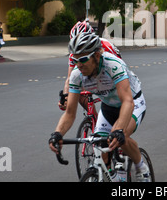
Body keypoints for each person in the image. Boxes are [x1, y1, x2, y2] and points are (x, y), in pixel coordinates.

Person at [49, 32, 150, 181]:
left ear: (97, 55)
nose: (79, 65)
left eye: (83, 59)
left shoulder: (113, 66)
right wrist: (57, 134)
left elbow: (127, 101)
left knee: (120, 138)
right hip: (108, 106)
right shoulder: (77, 75)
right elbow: (70, 113)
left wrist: (119, 130)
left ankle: (141, 168)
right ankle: (114, 175)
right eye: (75, 60)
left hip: (132, 103)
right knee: (100, 145)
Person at [59, 20, 121, 112]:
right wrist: (65, 97)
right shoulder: (74, 54)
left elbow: (119, 70)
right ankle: (92, 116)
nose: (79, 50)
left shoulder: (106, 46)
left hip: (107, 73)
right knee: (77, 90)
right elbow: (70, 78)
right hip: (90, 74)